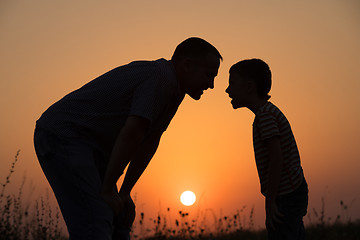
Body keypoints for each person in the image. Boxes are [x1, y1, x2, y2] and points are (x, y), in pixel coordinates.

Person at [33, 37, 222, 240]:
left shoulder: (176, 91)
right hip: (64, 135)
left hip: (92, 147)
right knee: (96, 219)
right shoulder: (160, 78)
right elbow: (133, 133)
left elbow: (150, 141)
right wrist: (107, 189)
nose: (211, 85)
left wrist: (124, 192)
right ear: (187, 65)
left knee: (119, 216)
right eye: (209, 75)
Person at [225, 59, 308, 240]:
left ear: (249, 87)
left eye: (231, 84)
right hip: (293, 190)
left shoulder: (265, 116)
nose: (227, 90)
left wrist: (270, 202)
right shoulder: (267, 113)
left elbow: (276, 159)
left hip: (287, 194)